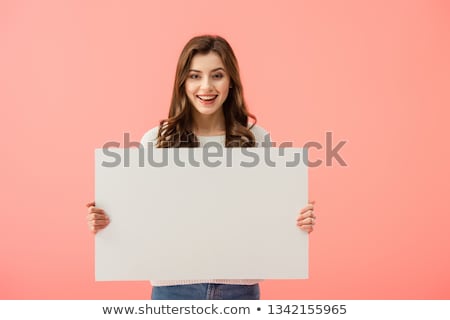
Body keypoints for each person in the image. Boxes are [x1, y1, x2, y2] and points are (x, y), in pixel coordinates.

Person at [86, 35, 316, 300]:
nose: (206, 87)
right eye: (195, 76)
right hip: (172, 288)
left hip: (239, 288)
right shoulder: (157, 140)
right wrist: (108, 220)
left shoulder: (257, 138)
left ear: (231, 82)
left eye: (217, 75)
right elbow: (143, 212)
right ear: (182, 83)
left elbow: (267, 212)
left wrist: (296, 220)